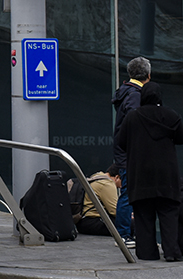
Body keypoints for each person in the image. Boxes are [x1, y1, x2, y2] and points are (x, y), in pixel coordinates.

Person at [115, 82, 183, 261]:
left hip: (141, 176)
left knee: (143, 216)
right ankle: (172, 252)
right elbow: (181, 136)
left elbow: (121, 142)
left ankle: (147, 253)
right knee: (169, 215)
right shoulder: (171, 115)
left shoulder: (132, 117)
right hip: (167, 176)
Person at [111, 56, 150, 241]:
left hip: (124, 151)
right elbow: (135, 123)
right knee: (128, 194)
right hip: (131, 153)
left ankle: (126, 233)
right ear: (148, 75)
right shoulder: (135, 95)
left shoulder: (125, 92)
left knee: (128, 192)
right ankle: (124, 235)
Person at [74, 164, 121, 236]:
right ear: (117, 177)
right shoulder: (106, 184)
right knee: (131, 224)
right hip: (93, 222)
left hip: (83, 222)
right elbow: (115, 210)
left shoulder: (96, 177)